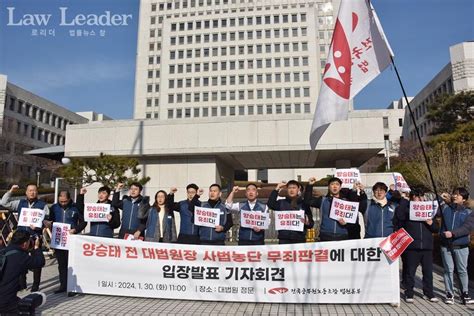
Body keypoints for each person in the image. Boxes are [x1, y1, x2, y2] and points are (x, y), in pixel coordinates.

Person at [393, 189, 439, 303]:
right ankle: (409, 293)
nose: (417, 199)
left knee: (428, 272)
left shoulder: (428, 210)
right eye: (414, 196)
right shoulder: (406, 209)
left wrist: (431, 223)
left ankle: (429, 293)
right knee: (410, 271)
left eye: (419, 196)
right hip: (411, 246)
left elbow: (436, 228)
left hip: (427, 247)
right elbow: (399, 216)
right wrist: (404, 200)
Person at [0, 184, 49, 292]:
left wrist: (39, 225)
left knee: (36, 260)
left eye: (35, 190)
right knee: (19, 259)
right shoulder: (20, 202)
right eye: (30, 190)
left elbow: (47, 221)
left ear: (37, 192)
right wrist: (11, 191)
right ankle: (22, 282)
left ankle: (36, 285)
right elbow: (4, 203)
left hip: (35, 236)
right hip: (21, 237)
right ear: (26, 192)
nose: (32, 192)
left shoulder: (42, 205)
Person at [44, 190, 85, 294]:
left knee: (72, 264)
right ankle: (63, 285)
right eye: (61, 201)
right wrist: (48, 224)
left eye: (65, 201)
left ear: (69, 199)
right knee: (61, 264)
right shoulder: (54, 208)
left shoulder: (76, 207)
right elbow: (51, 221)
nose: (63, 203)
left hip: (71, 238)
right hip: (59, 239)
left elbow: (84, 222)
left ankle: (73, 287)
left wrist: (75, 230)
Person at [439, 187, 473, 305]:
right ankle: (449, 293)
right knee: (448, 270)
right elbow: (433, 211)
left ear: (463, 199)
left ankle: (465, 293)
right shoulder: (445, 208)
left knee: (462, 270)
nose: (455, 196)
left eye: (458, 195)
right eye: (454, 194)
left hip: (461, 246)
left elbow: (467, 228)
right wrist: (440, 199)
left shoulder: (468, 212)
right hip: (446, 245)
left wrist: (453, 233)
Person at [304, 177, 366, 241]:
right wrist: (309, 185)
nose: (335, 186)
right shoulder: (323, 200)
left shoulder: (346, 202)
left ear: (340, 187)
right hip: (325, 235)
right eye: (332, 184)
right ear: (328, 187)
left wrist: (346, 224)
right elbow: (308, 201)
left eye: (337, 184)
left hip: (342, 235)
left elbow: (359, 209)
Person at [0, 230, 45, 314]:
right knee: (28, 306)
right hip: (7, 301)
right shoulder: (21, 257)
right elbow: (40, 262)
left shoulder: (3, 251)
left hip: (5, 297)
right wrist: (36, 247)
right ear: (24, 244)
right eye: (29, 242)